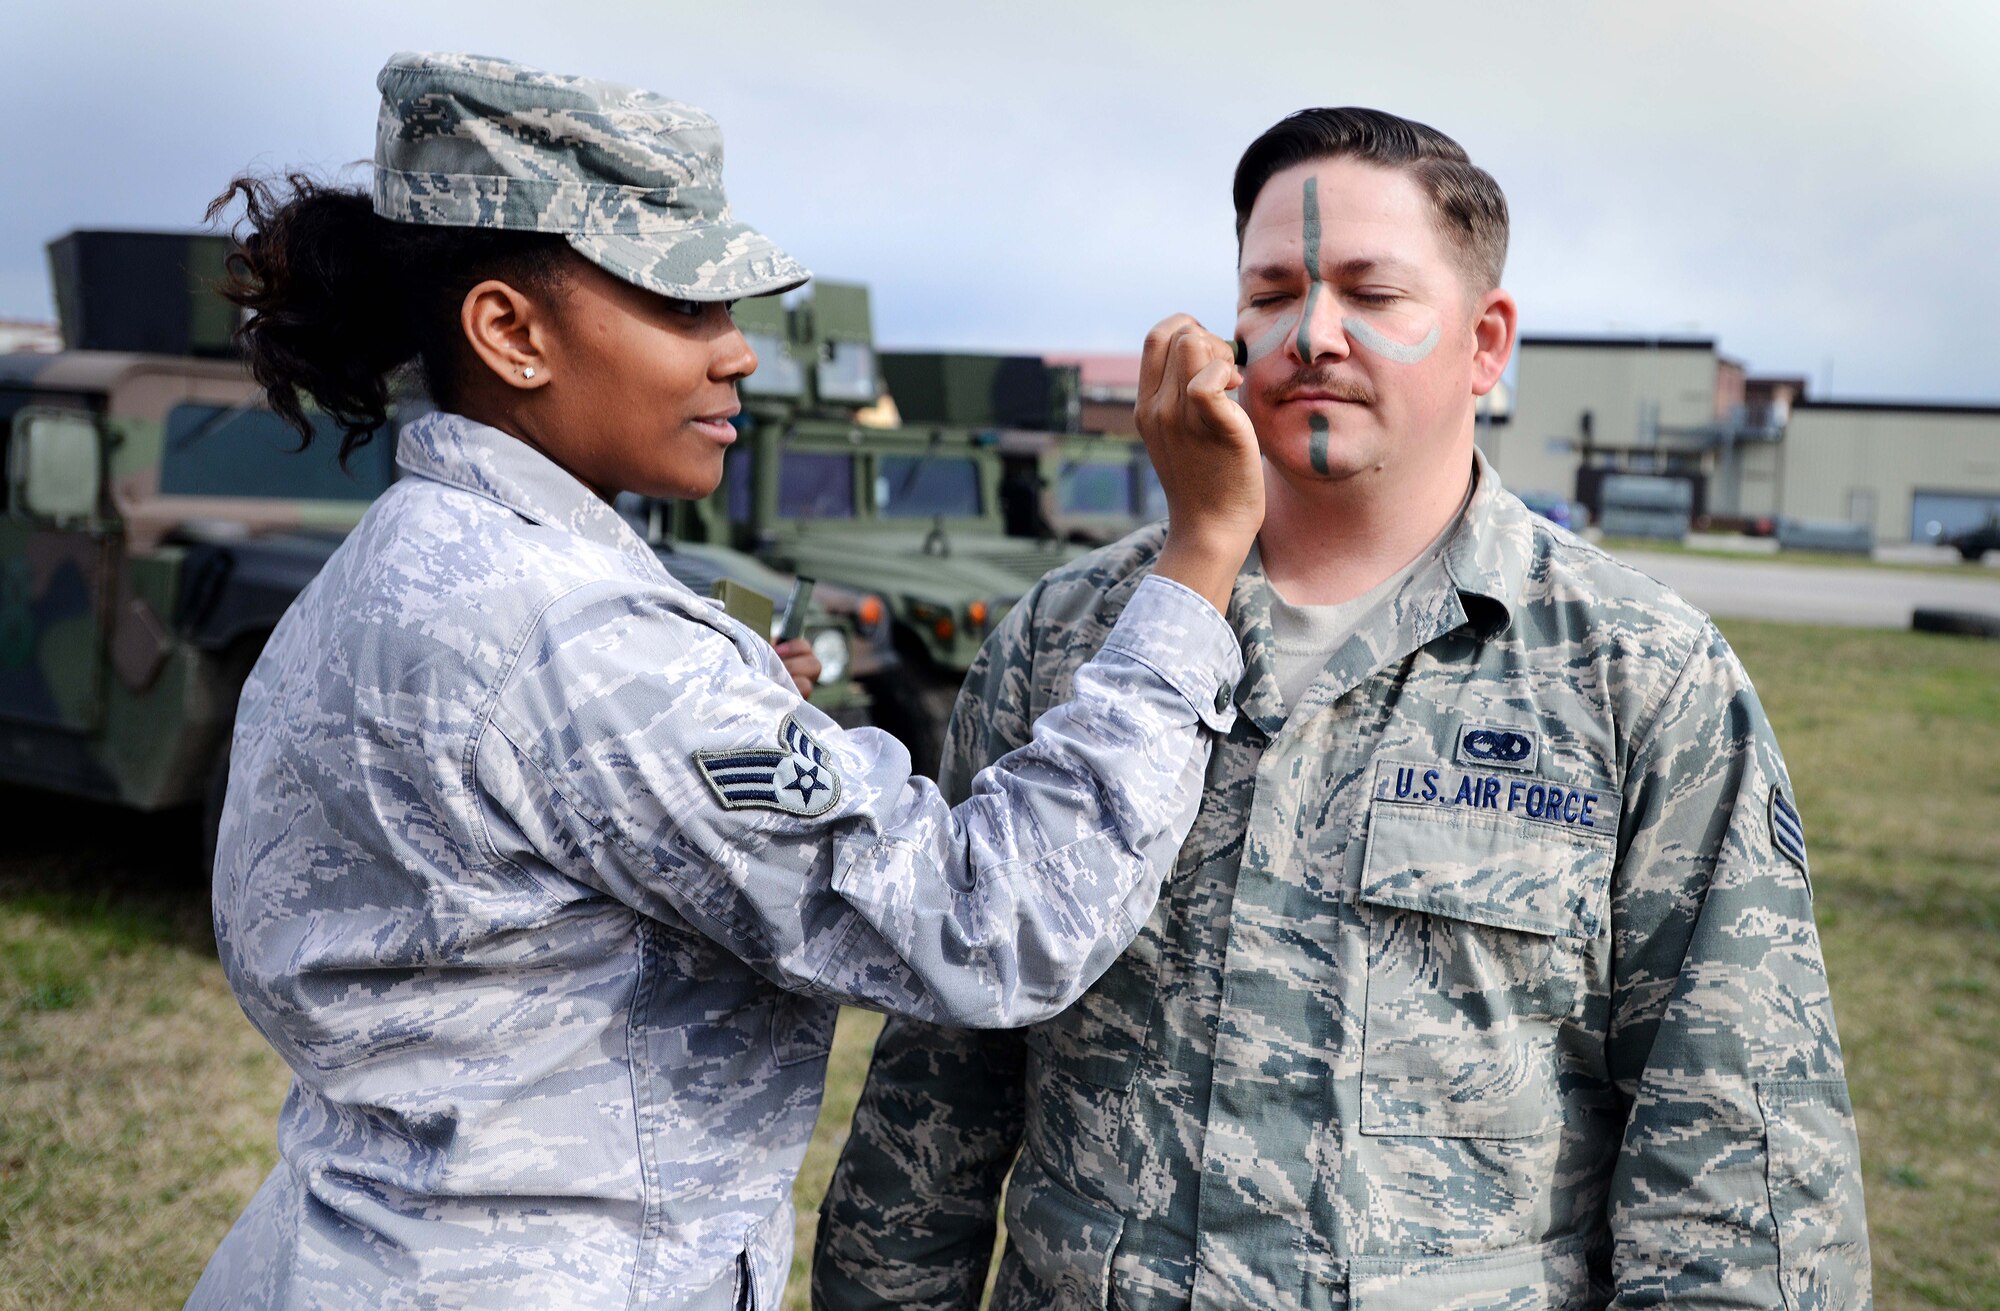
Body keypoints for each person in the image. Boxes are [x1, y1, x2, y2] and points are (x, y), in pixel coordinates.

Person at [185, 52, 1266, 1311]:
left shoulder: (405, 564)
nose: (737, 354)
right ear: (509, 331)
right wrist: (1196, 560)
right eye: (684, 309)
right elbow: (991, 921)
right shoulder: (572, 638)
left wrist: (724, 705)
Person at [816, 108, 1870, 1310]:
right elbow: (937, 1095)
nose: (1311, 334)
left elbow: (1733, 1148)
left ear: (1485, 343)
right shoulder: (1072, 642)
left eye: (1371, 291)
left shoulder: (1640, 679)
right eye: (1271, 291)